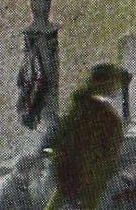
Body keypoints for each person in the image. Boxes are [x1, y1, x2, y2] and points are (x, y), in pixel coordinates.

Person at [52, 63, 129, 210]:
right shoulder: (105, 113)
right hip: (90, 171)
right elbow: (112, 146)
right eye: (115, 83)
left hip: (71, 166)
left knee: (59, 198)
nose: (117, 88)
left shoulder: (79, 104)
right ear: (107, 83)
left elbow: (63, 136)